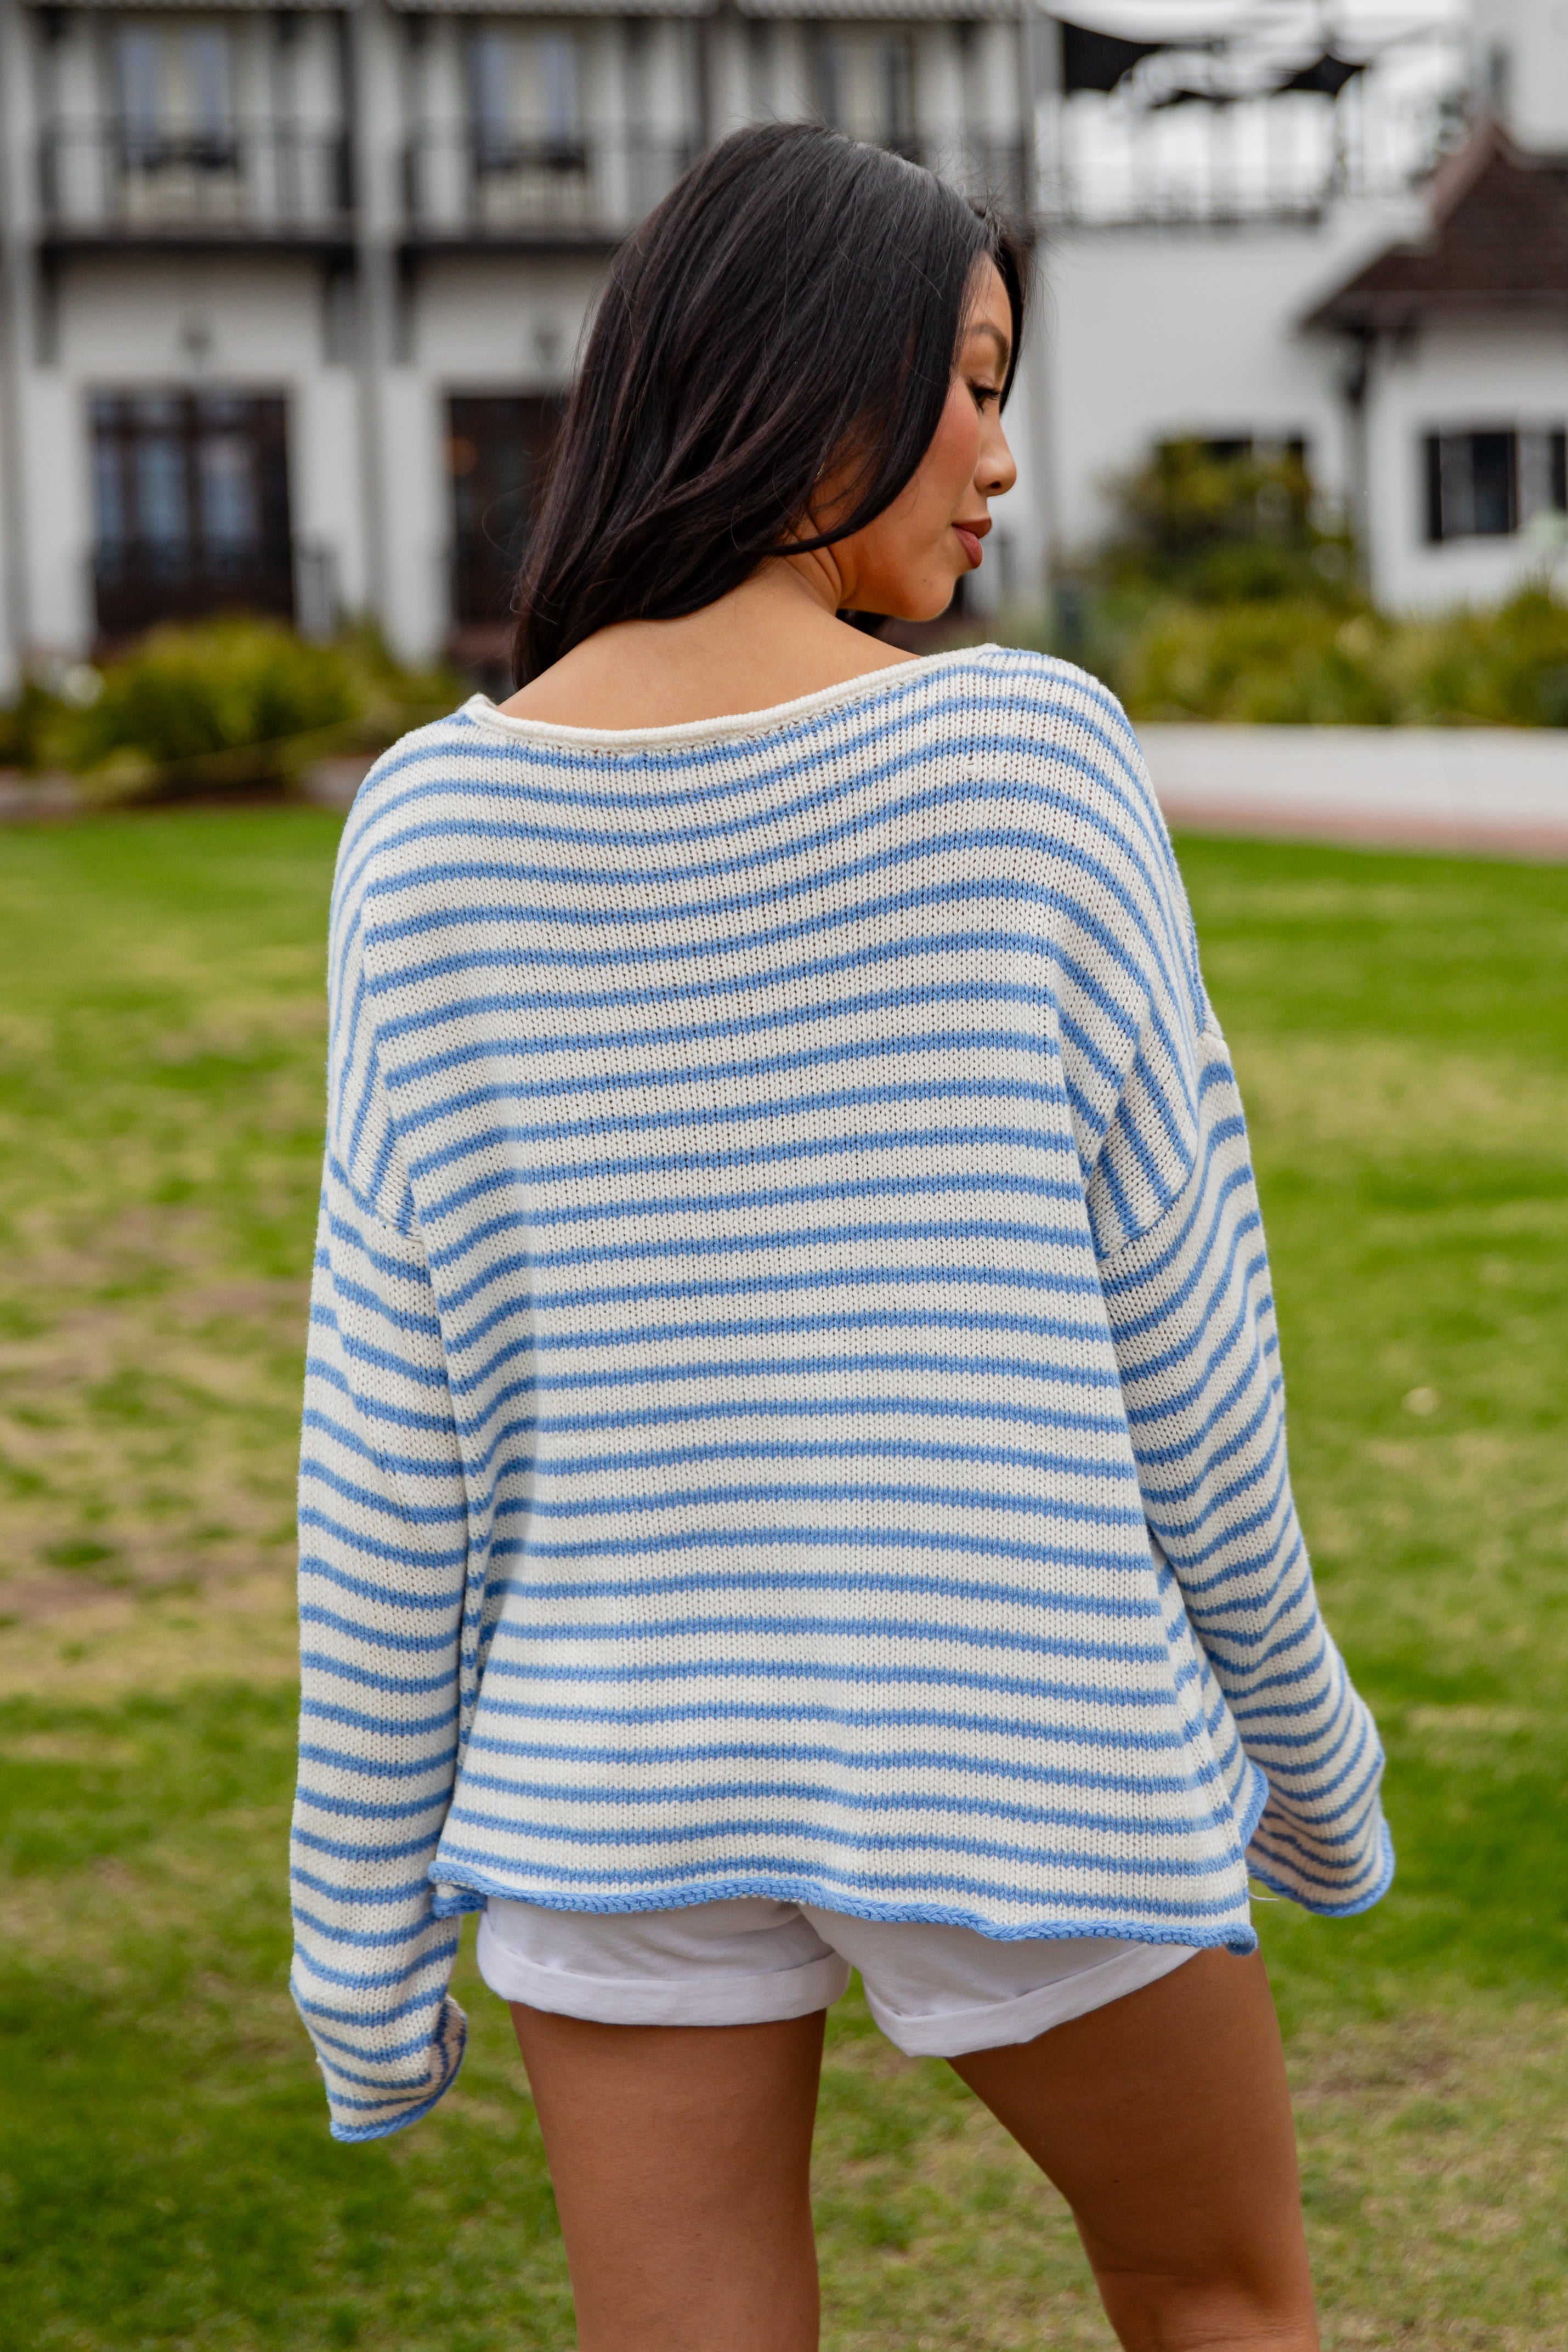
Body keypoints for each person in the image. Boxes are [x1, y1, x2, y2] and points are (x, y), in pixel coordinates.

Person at [291, 122, 1391, 2352]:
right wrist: (1309, 1762)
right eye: (973, 379)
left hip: (619, 1777)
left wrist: (357, 1943)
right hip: (1026, 1731)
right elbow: (1193, 1363)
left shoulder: (423, 830)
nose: (1000, 452)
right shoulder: (1028, 762)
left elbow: (386, 1451)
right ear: (810, 378)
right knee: (1219, 2304)